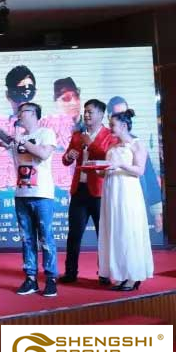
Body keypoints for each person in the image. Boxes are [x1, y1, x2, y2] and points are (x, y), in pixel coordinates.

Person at [0, 103, 59, 297]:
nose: (19, 115)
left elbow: (43, 154)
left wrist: (22, 141)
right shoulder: (16, 137)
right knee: (26, 239)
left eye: (22, 112)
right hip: (21, 194)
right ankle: (30, 278)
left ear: (33, 114)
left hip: (42, 194)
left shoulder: (46, 133)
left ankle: (51, 279)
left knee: (46, 238)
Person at [59, 99, 117, 284]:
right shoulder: (78, 135)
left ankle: (104, 274)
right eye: (85, 111)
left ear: (101, 114)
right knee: (74, 234)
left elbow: (107, 157)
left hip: (100, 191)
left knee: (103, 235)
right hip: (79, 190)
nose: (86, 115)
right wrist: (68, 156)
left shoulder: (110, 135)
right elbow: (65, 160)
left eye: (90, 112)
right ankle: (70, 272)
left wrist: (90, 144)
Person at [98, 109, 153, 290]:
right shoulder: (112, 147)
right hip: (111, 191)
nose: (110, 128)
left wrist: (120, 164)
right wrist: (98, 169)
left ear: (123, 125)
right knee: (116, 232)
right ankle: (122, 275)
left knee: (128, 230)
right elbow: (108, 169)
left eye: (112, 125)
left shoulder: (137, 145)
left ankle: (133, 276)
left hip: (127, 192)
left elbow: (139, 170)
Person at [107, 96, 163, 236]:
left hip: (132, 195)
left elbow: (148, 176)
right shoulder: (109, 143)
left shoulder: (136, 144)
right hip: (111, 195)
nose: (123, 117)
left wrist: (157, 213)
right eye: (119, 114)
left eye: (125, 113)